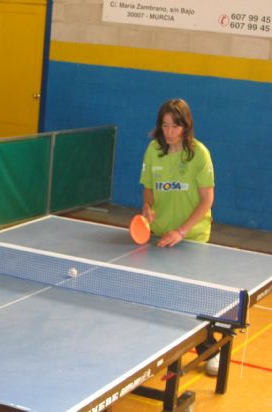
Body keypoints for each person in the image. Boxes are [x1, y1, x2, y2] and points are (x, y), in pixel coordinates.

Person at [139, 98, 219, 375]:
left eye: (175, 125)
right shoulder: (153, 151)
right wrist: (147, 207)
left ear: (186, 126)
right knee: (157, 292)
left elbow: (207, 199)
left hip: (191, 237)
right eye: (165, 125)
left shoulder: (199, 154)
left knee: (193, 298)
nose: (169, 131)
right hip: (160, 235)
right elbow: (148, 187)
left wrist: (182, 231)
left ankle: (211, 350)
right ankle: (162, 351)